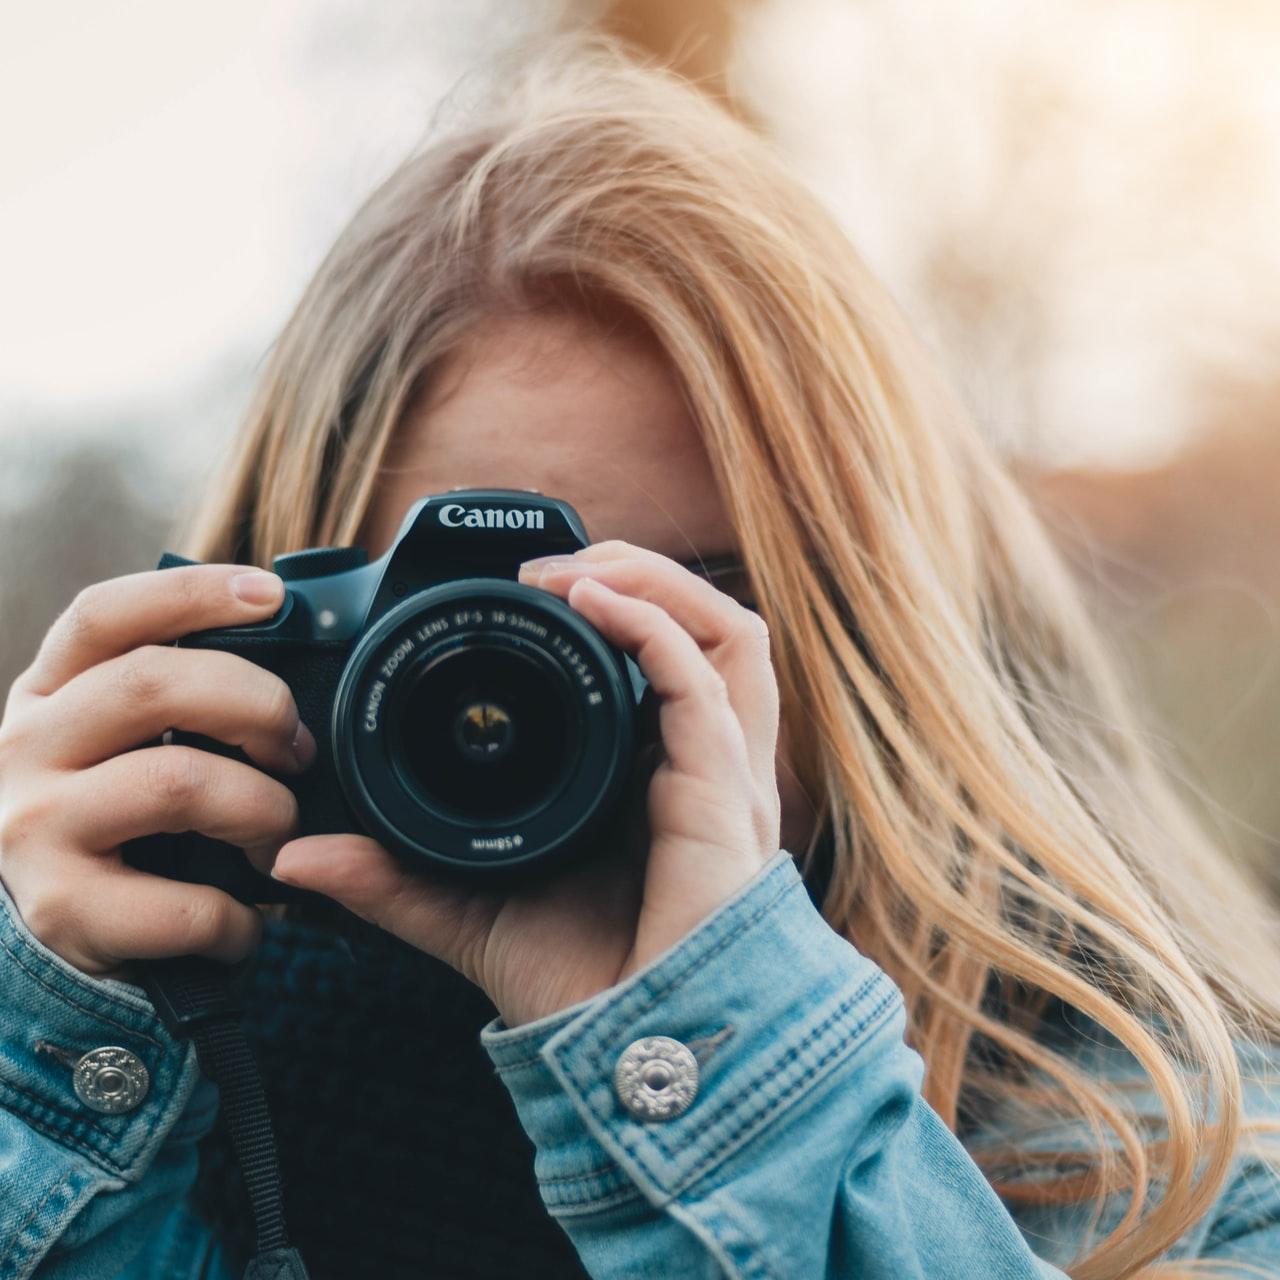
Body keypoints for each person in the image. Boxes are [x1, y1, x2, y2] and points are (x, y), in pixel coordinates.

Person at [1, 38, 1277, 1280]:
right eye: (457, 614)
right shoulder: (157, 1059)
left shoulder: (1166, 1149)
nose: (569, 682)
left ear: (878, 633)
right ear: (280, 628)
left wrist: (723, 1065)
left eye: (683, 601)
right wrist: (49, 1060)